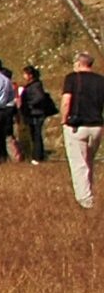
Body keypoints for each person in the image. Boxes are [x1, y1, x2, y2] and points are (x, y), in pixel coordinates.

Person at [62, 51, 103, 210]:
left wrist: (64, 120)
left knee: (78, 163)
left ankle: (85, 201)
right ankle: (89, 190)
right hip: (97, 126)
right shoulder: (101, 80)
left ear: (79, 63)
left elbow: (67, 101)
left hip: (76, 126)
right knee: (89, 161)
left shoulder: (72, 78)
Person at [18, 64, 56, 165]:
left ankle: (37, 156)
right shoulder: (32, 85)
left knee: (36, 135)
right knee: (34, 135)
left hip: (36, 113)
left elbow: (40, 97)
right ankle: (38, 155)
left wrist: (29, 104)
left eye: (25, 74)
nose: (24, 76)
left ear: (30, 75)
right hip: (33, 113)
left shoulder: (35, 85)